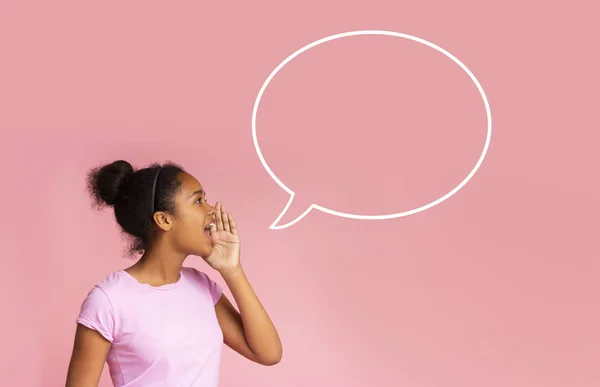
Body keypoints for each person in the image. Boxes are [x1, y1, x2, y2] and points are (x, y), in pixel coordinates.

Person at [65, 160, 282, 387]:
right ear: (164, 220)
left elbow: (268, 353)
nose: (211, 210)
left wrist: (232, 270)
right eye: (198, 201)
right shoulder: (109, 300)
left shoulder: (202, 286)